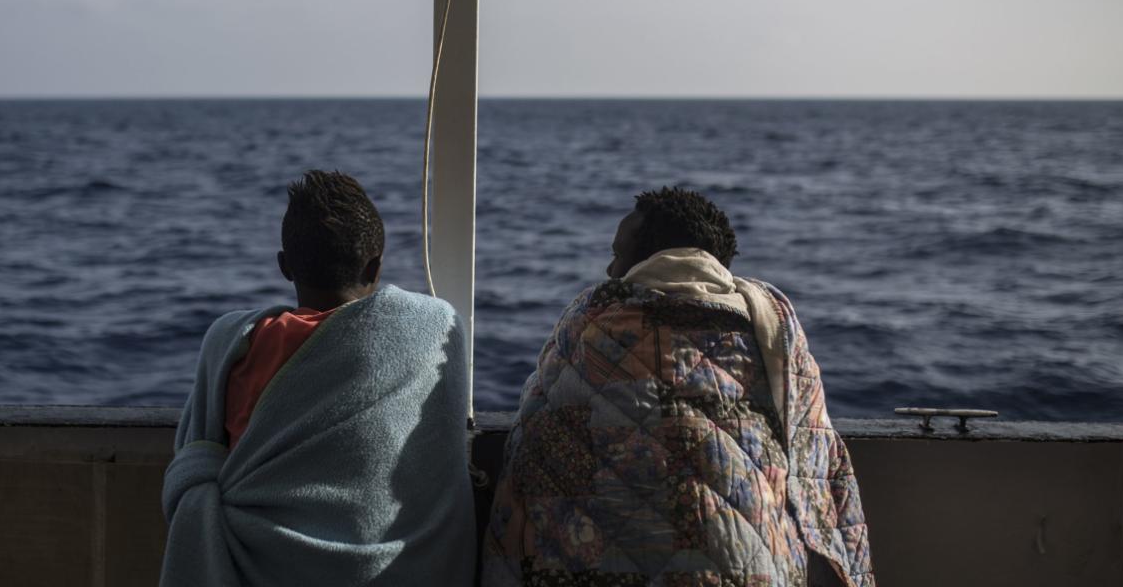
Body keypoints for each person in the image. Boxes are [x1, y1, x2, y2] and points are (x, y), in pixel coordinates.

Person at [482, 186, 873, 587]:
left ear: (648, 258)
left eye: (618, 254)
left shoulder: (592, 319)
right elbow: (817, 457)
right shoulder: (772, 328)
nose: (610, 270)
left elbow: (535, 429)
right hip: (753, 564)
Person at [160, 170, 475, 587]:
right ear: (376, 264)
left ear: (284, 266)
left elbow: (199, 446)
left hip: (258, 564)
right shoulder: (434, 325)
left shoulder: (233, 342)